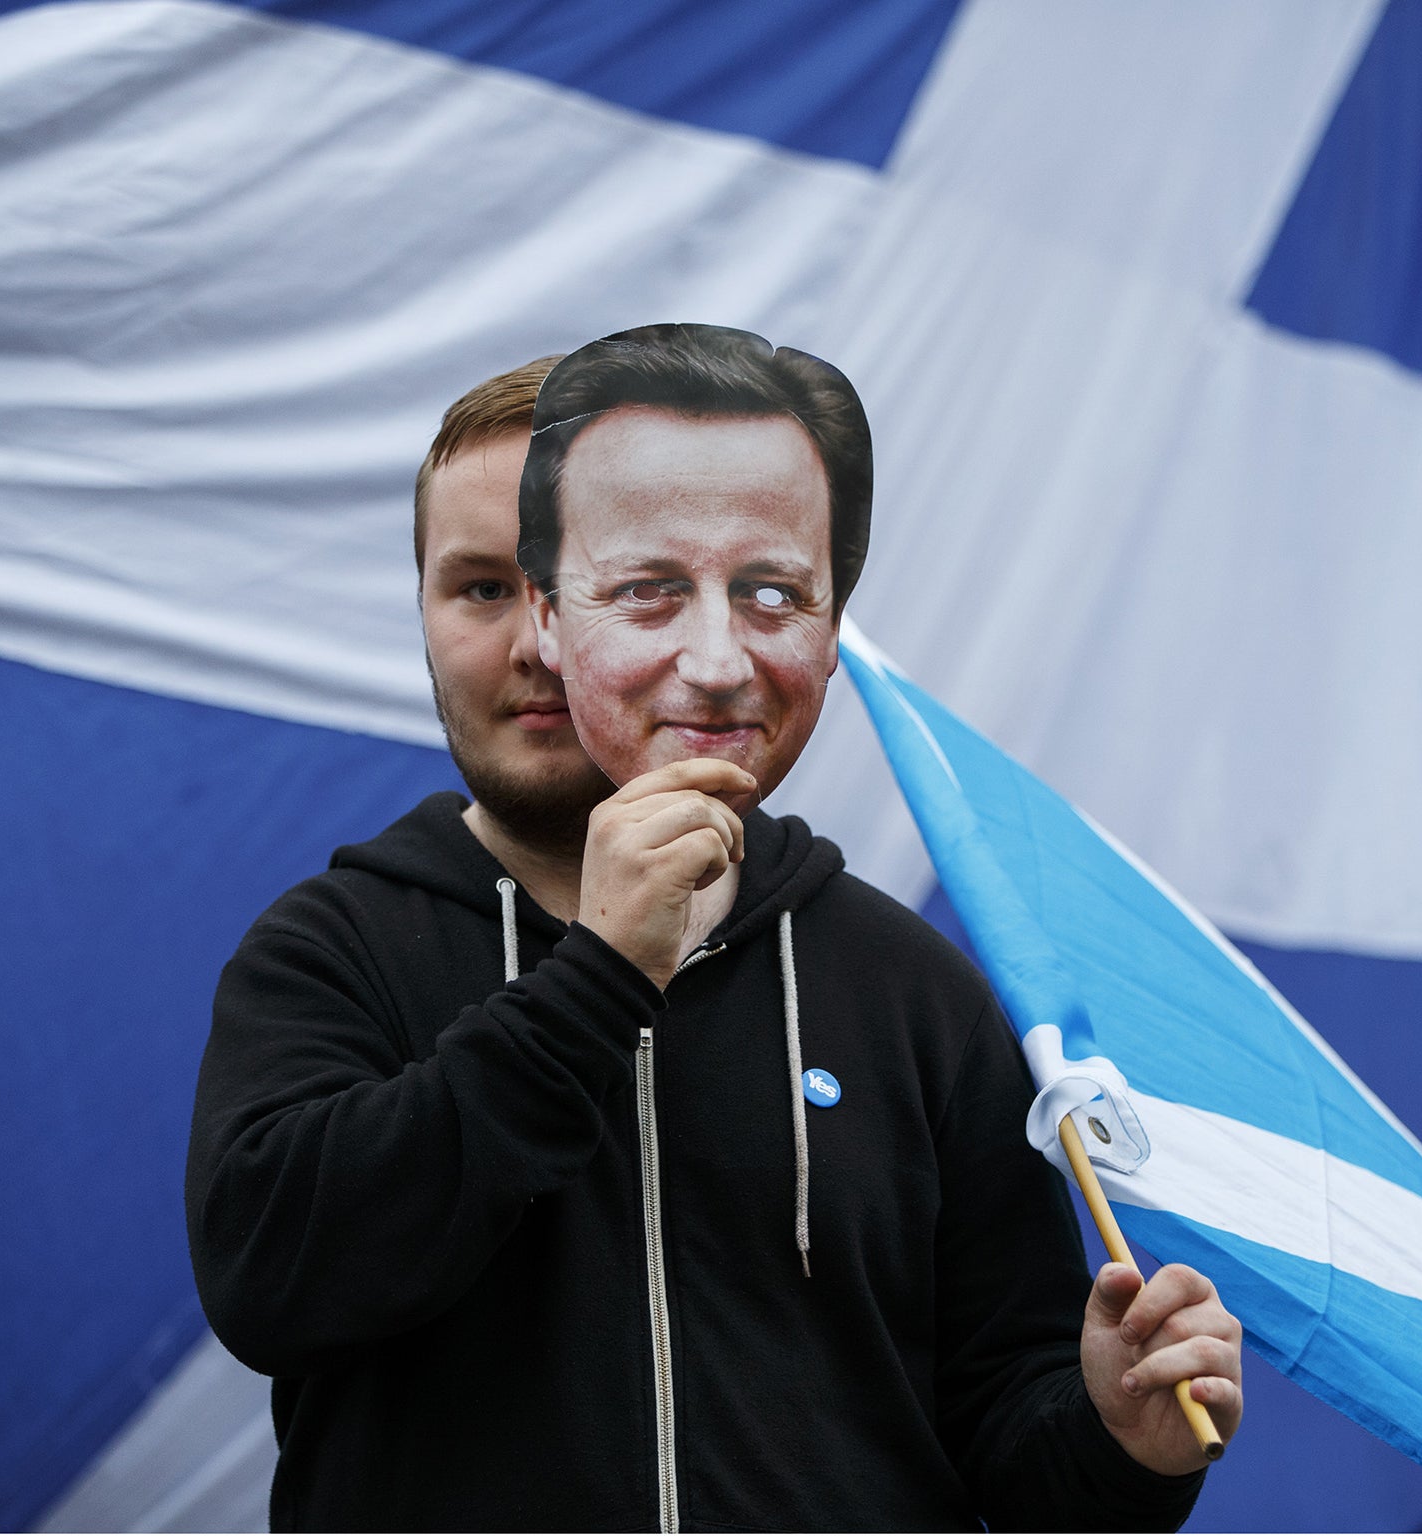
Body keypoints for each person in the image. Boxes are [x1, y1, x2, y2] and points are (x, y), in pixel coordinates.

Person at [186, 333, 1242, 1533]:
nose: (532, 648)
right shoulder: (332, 950)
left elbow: (1016, 1451)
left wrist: (1122, 1446)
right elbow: (272, 1287)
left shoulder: (912, 992)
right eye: (482, 587)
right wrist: (596, 979)